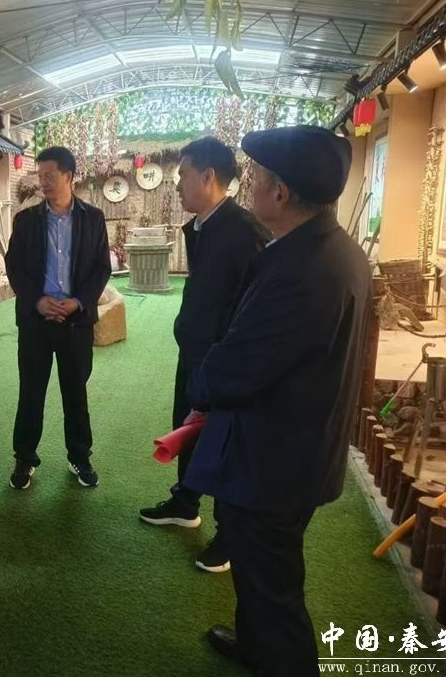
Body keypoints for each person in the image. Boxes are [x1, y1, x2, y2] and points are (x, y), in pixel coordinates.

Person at [184, 126, 372, 675]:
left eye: (257, 178)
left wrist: (201, 382)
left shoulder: (301, 271)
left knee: (274, 588)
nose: (249, 187)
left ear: (281, 193)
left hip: (276, 461)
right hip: (295, 447)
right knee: (256, 569)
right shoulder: (330, 250)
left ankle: (280, 657)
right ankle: (255, 645)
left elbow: (237, 367)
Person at [138, 137, 268, 574]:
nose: (177, 186)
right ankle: (185, 503)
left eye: (184, 176)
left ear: (209, 177)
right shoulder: (202, 227)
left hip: (225, 362)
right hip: (195, 354)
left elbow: (249, 309)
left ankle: (229, 537)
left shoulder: (244, 232)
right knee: (188, 426)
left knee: (223, 442)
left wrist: (224, 362)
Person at [5, 146, 111, 490]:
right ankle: (25, 458)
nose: (44, 182)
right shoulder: (26, 221)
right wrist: (36, 301)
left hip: (75, 322)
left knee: (75, 393)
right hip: (36, 322)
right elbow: (14, 267)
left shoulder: (93, 219)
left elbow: (101, 269)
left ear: (70, 176)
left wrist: (79, 302)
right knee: (31, 392)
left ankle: (80, 456)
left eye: (50, 175)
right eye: (40, 176)